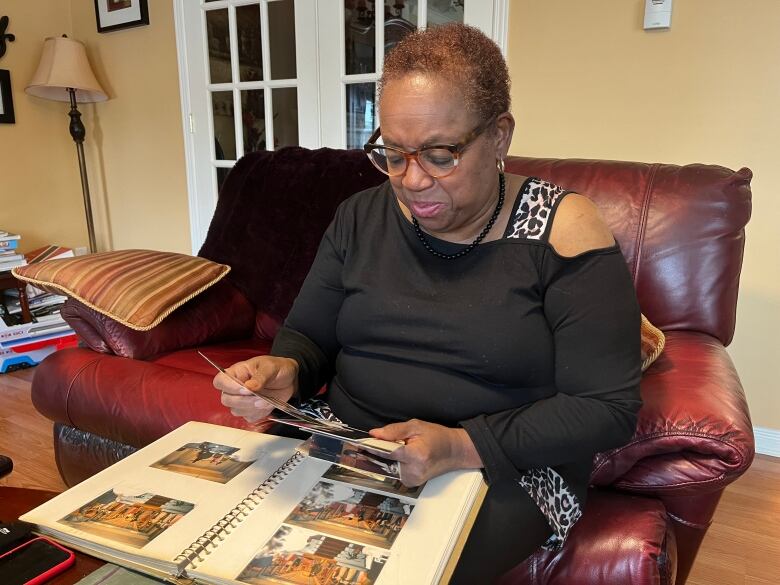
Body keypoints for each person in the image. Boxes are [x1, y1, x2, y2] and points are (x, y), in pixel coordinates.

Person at [213, 23, 641, 583]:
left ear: (500, 136)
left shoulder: (563, 230)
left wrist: (464, 446)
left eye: (441, 154)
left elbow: (607, 408)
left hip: (502, 469)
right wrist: (286, 369)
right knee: (231, 551)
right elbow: (309, 336)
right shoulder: (360, 217)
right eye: (393, 153)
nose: (412, 180)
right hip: (349, 436)